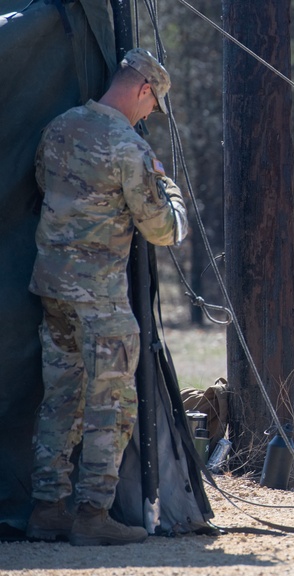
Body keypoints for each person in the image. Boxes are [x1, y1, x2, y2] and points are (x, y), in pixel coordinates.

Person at [25, 49, 188, 546]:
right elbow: (161, 229)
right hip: (100, 298)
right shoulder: (127, 147)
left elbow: (41, 183)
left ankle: (47, 508)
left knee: (60, 398)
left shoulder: (59, 127)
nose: (149, 115)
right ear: (143, 90)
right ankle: (93, 513)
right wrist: (174, 196)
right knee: (111, 403)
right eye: (152, 106)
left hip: (52, 286)